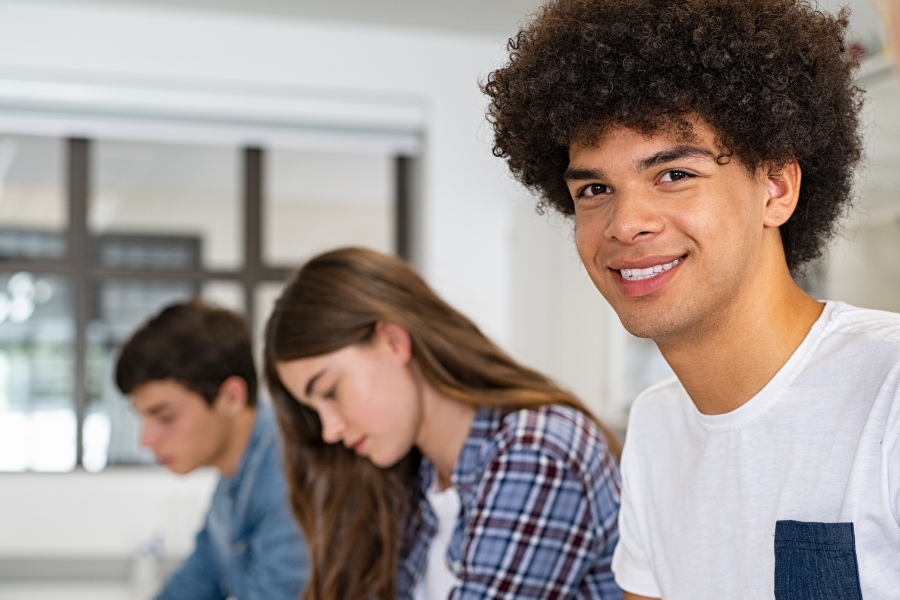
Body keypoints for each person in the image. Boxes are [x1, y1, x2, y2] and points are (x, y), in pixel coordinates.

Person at [483, 0, 900, 598]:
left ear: (776, 188)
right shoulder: (656, 428)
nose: (625, 224)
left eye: (674, 175)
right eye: (596, 188)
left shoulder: (889, 392)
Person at [264, 247, 622, 600]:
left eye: (329, 392)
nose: (329, 430)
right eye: (312, 410)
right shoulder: (414, 481)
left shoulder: (537, 449)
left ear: (392, 342)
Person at [116, 300, 309, 600]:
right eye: (142, 418)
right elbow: (195, 581)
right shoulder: (232, 480)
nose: (146, 440)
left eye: (164, 417)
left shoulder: (289, 474)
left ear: (231, 397)